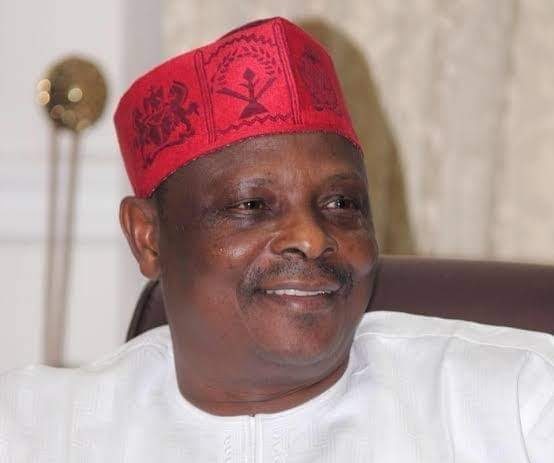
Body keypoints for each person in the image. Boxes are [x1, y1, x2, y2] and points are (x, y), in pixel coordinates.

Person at [1, 17, 552, 462]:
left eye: (341, 204)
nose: (312, 239)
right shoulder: (33, 427)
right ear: (148, 239)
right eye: (252, 207)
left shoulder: (517, 401)